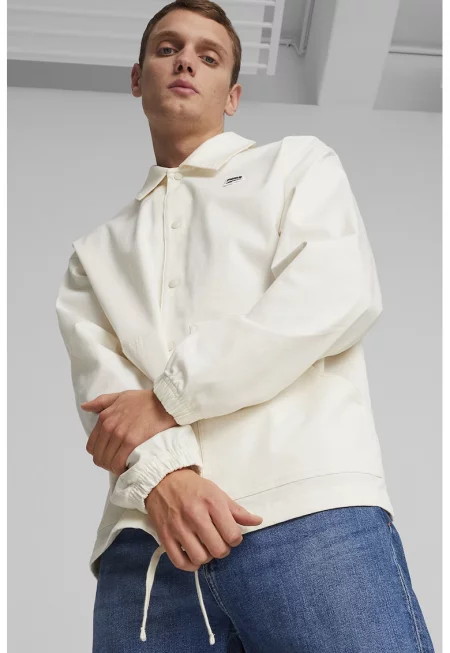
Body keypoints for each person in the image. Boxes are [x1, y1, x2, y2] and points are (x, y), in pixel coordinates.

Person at [55, 1, 435, 651]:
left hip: (307, 513)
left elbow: (335, 294)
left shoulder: (297, 166)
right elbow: (106, 402)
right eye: (167, 48)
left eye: (208, 56)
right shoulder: (94, 254)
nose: (185, 62)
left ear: (232, 95)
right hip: (148, 546)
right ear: (137, 78)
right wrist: (166, 479)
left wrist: (168, 396)